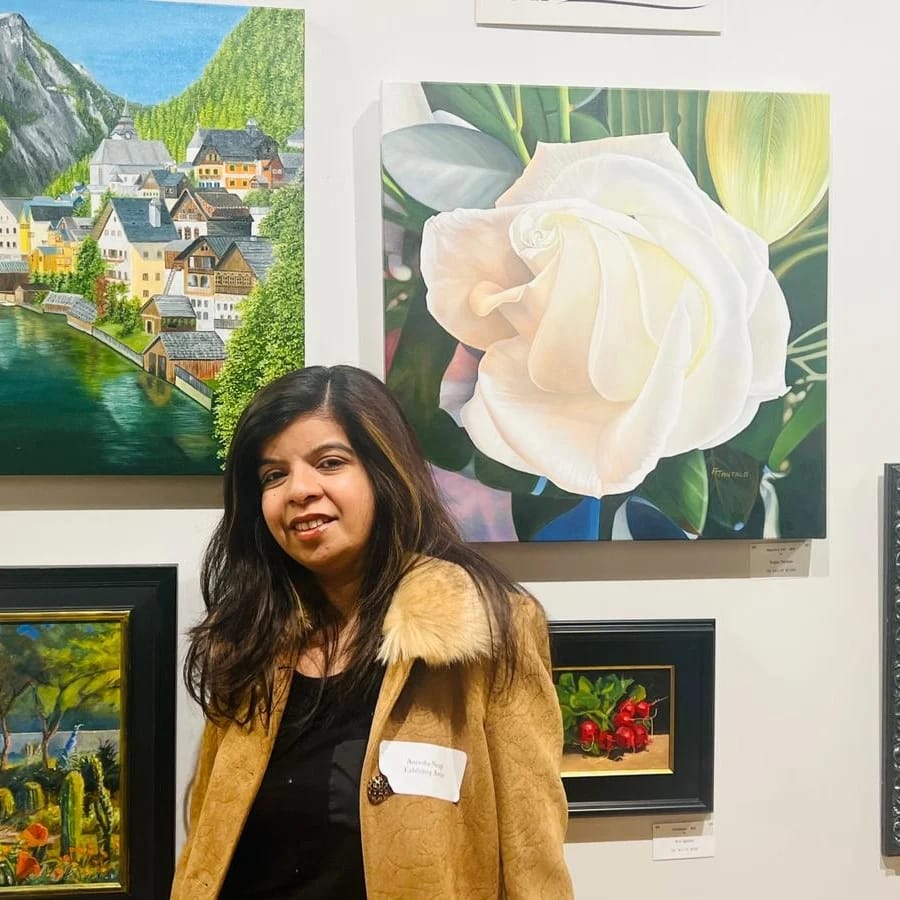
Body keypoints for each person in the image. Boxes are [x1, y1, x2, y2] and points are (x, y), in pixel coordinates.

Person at [171, 365, 574, 900]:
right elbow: (206, 838)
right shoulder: (249, 638)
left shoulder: (490, 628)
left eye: (329, 462)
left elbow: (533, 856)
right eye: (273, 475)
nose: (298, 490)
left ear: (384, 471)